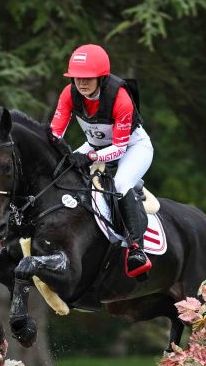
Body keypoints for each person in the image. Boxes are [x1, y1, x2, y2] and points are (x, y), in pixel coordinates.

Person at [49, 43, 153, 278]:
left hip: (133, 147)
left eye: (88, 78)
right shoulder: (69, 94)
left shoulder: (120, 98)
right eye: (77, 77)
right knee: (62, 171)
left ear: (101, 78)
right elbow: (54, 134)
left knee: (120, 184)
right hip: (96, 145)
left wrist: (88, 157)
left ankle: (136, 249)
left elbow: (118, 148)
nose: (81, 83)